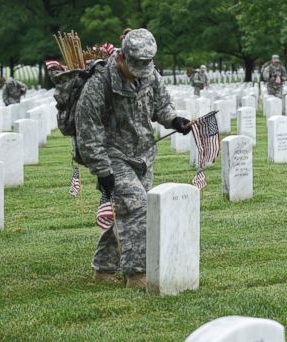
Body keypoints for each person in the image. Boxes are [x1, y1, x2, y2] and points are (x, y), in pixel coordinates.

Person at [74, 28, 192, 288]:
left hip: (144, 154)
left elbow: (161, 105)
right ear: (121, 58)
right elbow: (88, 132)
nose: (140, 71)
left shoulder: (151, 74)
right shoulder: (99, 84)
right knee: (137, 207)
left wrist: (174, 120)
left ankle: (103, 270)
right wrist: (102, 170)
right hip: (113, 157)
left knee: (126, 212)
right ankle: (137, 274)